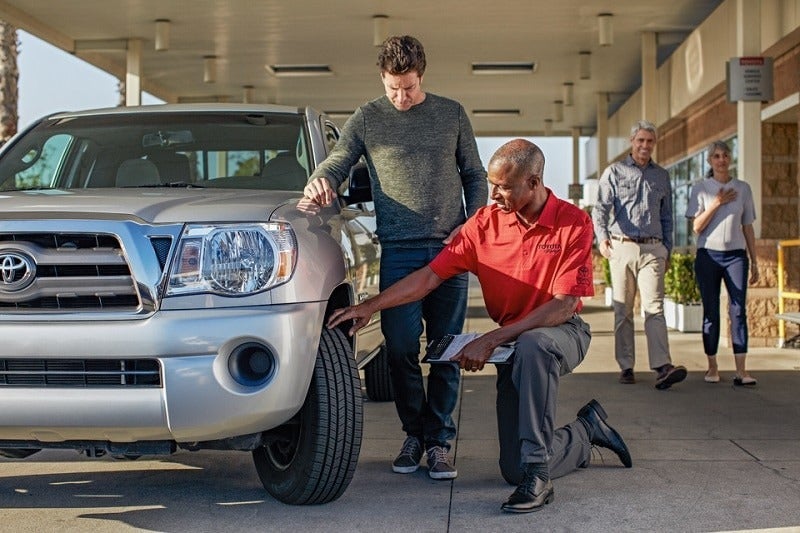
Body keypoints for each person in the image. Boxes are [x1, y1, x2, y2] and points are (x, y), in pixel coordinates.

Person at [327, 139, 632, 513]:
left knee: (535, 345)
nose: (494, 193)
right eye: (492, 183)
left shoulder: (572, 222)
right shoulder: (484, 225)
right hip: (513, 344)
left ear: (534, 182)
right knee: (511, 469)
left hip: (561, 332)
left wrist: (491, 340)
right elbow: (428, 278)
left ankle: (539, 477)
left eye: (504, 186)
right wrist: (369, 306)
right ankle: (585, 432)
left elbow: (563, 305)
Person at [303, 35, 488, 480]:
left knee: (446, 350)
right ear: (382, 80)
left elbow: (474, 174)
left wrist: (475, 219)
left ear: (420, 75)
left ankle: (440, 442)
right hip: (400, 251)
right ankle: (413, 435)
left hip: (450, 249)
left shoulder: (451, 114)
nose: (401, 98)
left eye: (407, 87)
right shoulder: (368, 117)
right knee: (401, 348)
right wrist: (318, 180)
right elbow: (338, 161)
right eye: (393, 89)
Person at [592, 120, 687, 389]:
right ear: (632, 142)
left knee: (654, 308)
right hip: (622, 247)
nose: (645, 146)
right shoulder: (615, 172)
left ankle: (662, 366)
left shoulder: (662, 176)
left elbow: (668, 216)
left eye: (650, 141)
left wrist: (667, 248)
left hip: (653, 248)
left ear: (654, 144)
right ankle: (626, 365)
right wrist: (602, 239)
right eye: (640, 141)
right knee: (623, 310)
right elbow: (600, 210)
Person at [686, 140, 759, 386]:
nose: (721, 160)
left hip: (736, 256)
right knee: (711, 312)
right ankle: (712, 366)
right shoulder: (701, 188)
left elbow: (747, 227)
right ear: (710, 161)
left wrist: (755, 261)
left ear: (730, 158)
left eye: (725, 155)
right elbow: (696, 226)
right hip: (708, 255)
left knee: (738, 310)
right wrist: (716, 203)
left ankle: (742, 370)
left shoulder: (743, 189)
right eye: (716, 156)